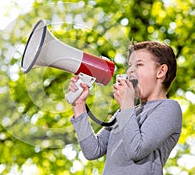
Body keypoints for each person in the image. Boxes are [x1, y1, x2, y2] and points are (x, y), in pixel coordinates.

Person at [68, 41, 182, 175]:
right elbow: (93, 150)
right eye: (129, 65)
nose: (130, 70)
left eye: (139, 64)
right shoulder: (125, 111)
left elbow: (137, 150)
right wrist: (79, 106)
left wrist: (127, 104)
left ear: (161, 71)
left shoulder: (169, 108)